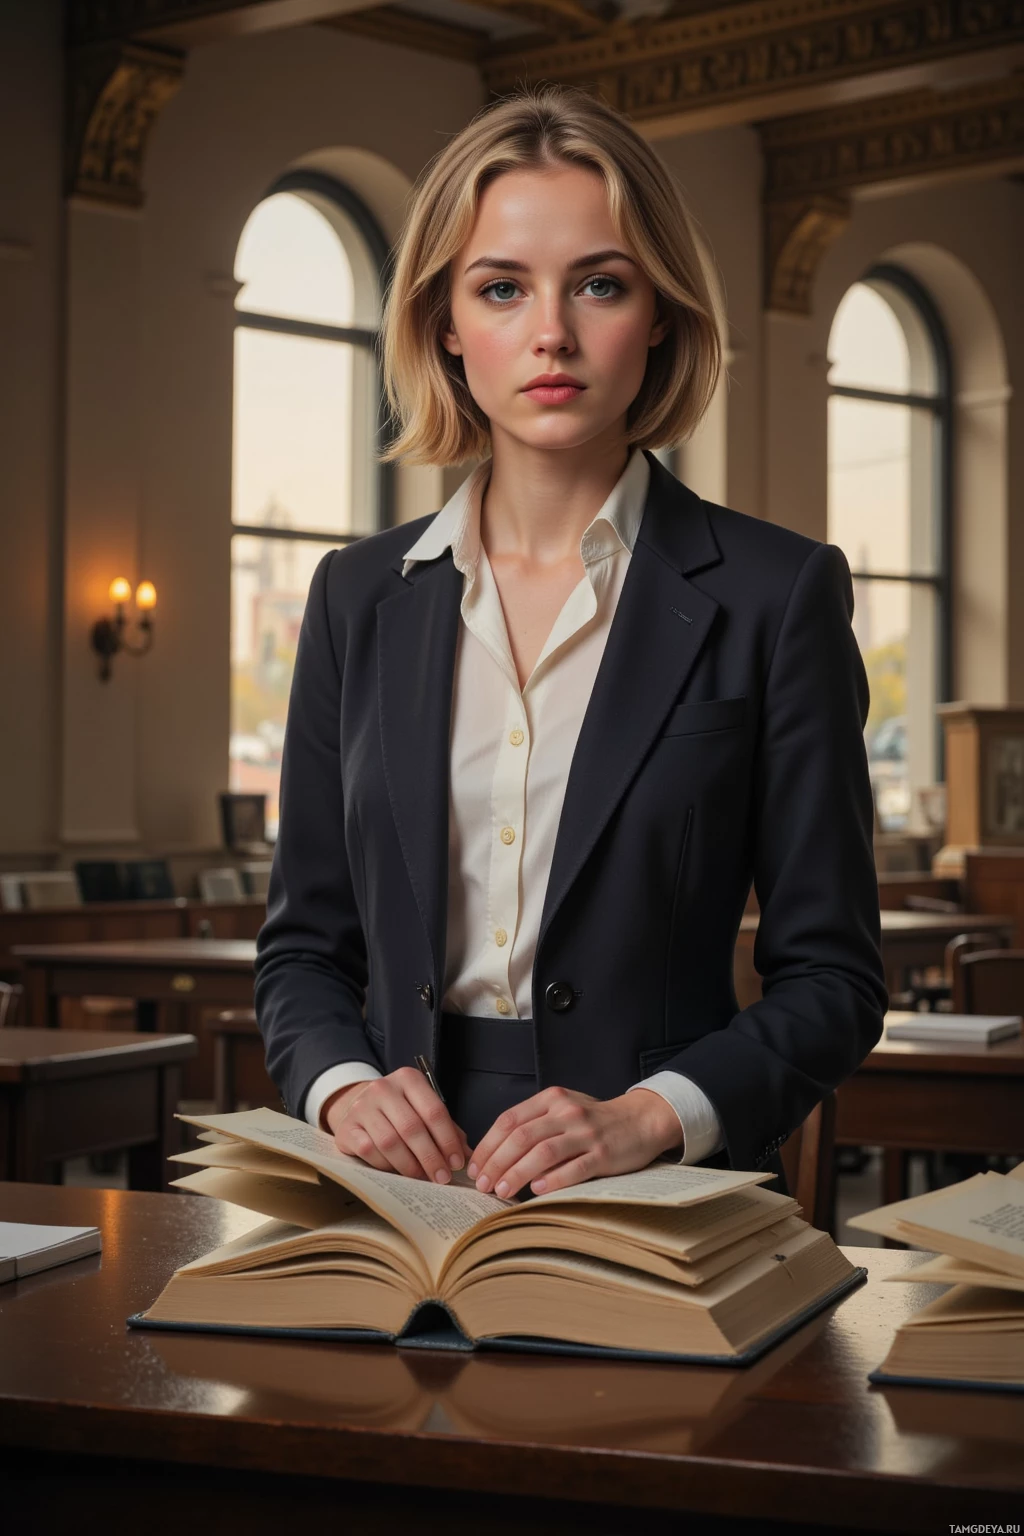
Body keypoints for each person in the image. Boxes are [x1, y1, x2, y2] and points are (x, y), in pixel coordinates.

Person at [254, 85, 887, 1204]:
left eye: (599, 284)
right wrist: (344, 1087)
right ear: (447, 325)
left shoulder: (777, 593)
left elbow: (831, 981)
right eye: (502, 288)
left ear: (658, 315)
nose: (550, 333)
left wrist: (653, 1117)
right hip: (395, 1184)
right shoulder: (356, 596)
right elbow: (304, 948)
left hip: (655, 1186)